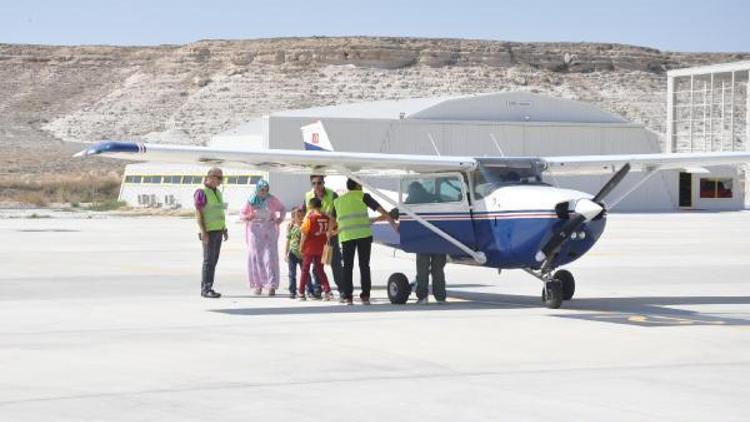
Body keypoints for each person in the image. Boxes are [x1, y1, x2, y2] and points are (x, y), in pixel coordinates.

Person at [333, 178, 398, 305]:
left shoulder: (338, 201)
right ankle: (365, 296)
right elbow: (382, 210)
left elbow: (333, 221)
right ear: (357, 185)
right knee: (364, 266)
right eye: (360, 183)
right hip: (363, 236)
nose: (362, 185)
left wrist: (331, 232)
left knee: (347, 267)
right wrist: (392, 223)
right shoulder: (363, 196)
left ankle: (348, 297)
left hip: (346, 236)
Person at [404, 181, 449, 304]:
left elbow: (400, 210)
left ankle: (423, 297)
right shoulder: (434, 197)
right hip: (440, 239)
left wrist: (386, 216)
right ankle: (440, 297)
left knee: (422, 271)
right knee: (438, 270)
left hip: (423, 240)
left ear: (412, 190)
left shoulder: (412, 198)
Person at [240, 179, 286, 296]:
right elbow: (242, 214)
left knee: (270, 257)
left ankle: (272, 285)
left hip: (269, 229)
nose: (264, 192)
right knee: (256, 257)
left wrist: (280, 219)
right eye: (261, 190)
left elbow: (282, 208)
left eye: (266, 189)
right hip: (255, 230)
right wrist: (248, 216)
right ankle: (258, 284)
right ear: (257, 189)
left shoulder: (272, 199)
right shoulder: (251, 200)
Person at [304, 175, 343, 301]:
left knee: (335, 262)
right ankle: (317, 289)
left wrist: (333, 231)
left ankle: (342, 289)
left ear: (323, 182)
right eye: (314, 183)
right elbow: (305, 215)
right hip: (315, 238)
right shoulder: (308, 196)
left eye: (319, 183)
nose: (317, 186)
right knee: (317, 265)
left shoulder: (332, 195)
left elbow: (339, 214)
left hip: (330, 235)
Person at [194, 167, 228, 299]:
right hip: (209, 231)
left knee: (214, 261)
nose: (220, 180)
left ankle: (209, 286)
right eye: (218, 177)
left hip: (218, 230)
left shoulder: (217, 192)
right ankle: (206, 289)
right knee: (208, 261)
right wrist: (203, 231)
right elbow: (198, 213)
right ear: (210, 177)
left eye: (221, 178)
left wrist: (224, 229)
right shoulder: (201, 192)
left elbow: (219, 212)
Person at [298, 197, 334, 301]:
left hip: (310, 247)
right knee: (320, 269)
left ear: (311, 206)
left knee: (305, 269)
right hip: (321, 247)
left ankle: (301, 292)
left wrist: (301, 246)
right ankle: (328, 291)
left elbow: (304, 233)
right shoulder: (326, 218)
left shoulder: (310, 218)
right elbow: (335, 227)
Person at [283, 207, 305, 299]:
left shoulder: (305, 226)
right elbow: (288, 240)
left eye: (302, 216)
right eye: (298, 216)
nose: (300, 217)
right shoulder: (291, 226)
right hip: (292, 253)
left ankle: (309, 289)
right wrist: (286, 253)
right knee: (292, 273)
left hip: (303, 254)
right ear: (294, 217)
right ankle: (292, 291)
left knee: (305, 273)